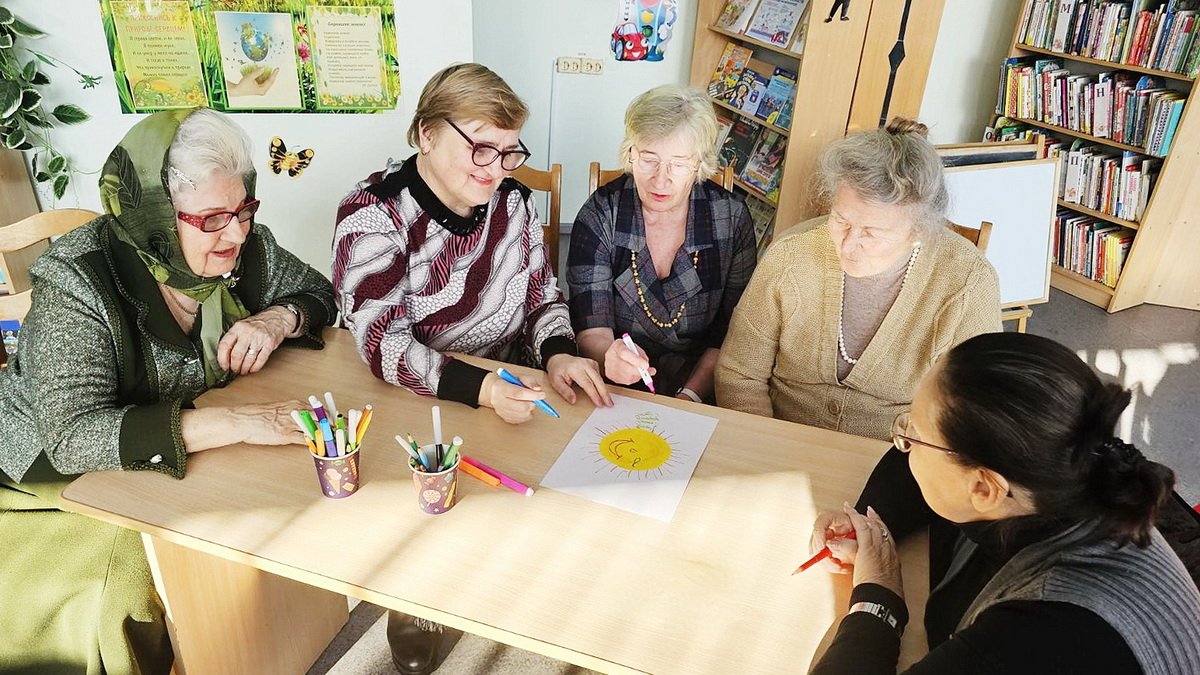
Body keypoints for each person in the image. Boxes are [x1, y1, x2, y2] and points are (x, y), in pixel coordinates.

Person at [0, 108, 335, 673]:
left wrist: (277, 319)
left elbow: (317, 292)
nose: (237, 233)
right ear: (152, 215)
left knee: (259, 515)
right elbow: (72, 437)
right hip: (48, 476)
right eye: (212, 218)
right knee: (149, 575)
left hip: (164, 453)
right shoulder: (77, 281)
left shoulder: (245, 246)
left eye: (244, 209)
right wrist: (238, 422)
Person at [331, 62, 610, 674]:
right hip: (420, 391)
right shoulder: (374, 214)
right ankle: (416, 599)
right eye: (481, 147)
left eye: (509, 152)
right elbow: (381, 343)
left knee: (535, 497)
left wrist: (559, 352)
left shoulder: (512, 202)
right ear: (426, 133)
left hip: (506, 380)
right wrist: (478, 387)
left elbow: (541, 295)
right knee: (433, 498)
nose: (496, 168)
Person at [808, 332, 1200, 674]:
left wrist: (878, 593)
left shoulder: (1041, 637)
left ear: (983, 488)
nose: (903, 444)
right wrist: (870, 527)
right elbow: (920, 466)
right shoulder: (1063, 478)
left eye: (913, 437)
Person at [715, 118, 1001, 441]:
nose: (848, 245)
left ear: (918, 230)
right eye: (841, 220)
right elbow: (739, 374)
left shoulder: (967, 282)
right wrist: (764, 446)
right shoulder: (790, 255)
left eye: (871, 233)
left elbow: (973, 410)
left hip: (898, 456)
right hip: (777, 440)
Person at [567, 85, 757, 404]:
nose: (660, 179)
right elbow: (591, 327)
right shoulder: (601, 213)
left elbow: (732, 332)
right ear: (631, 153)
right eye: (648, 159)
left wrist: (690, 396)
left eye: (678, 164)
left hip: (702, 379)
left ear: (699, 163)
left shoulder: (731, 218)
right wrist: (608, 357)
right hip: (616, 382)